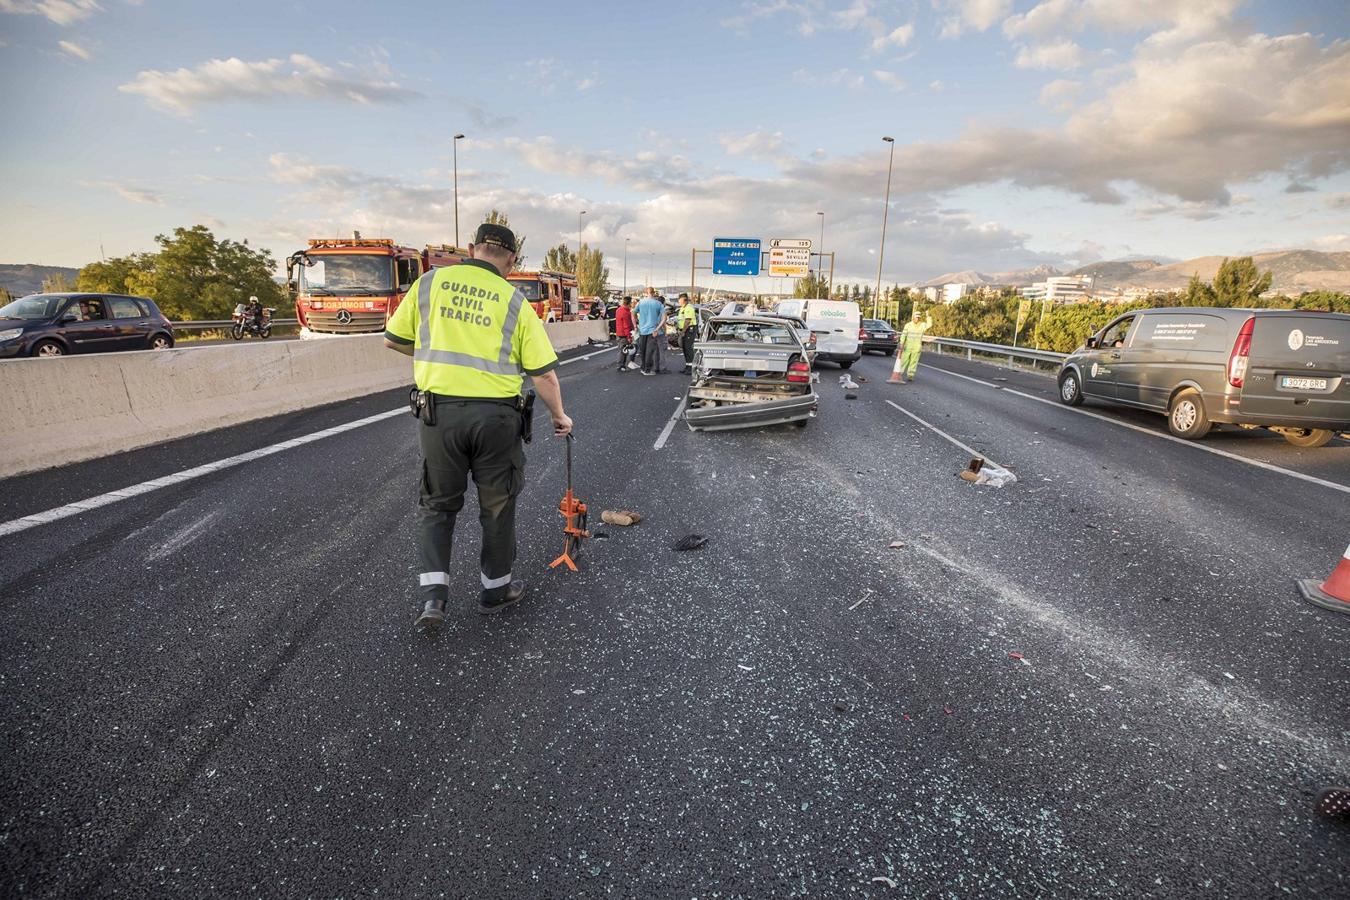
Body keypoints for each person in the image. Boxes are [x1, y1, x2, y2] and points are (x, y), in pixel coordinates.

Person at [384, 222, 573, 630]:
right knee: (497, 506)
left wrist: (433, 357)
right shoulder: (514, 300)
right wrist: (560, 416)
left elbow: (394, 338)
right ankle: (494, 591)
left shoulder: (430, 283)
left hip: (439, 417)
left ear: (472, 248)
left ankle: (433, 600)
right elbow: (543, 374)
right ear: (512, 260)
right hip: (497, 420)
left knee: (437, 506)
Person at [889, 307, 934, 384]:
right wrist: (901, 343)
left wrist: (928, 316)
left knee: (913, 362)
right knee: (904, 361)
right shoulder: (908, 325)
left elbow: (929, 324)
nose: (917, 319)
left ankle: (910, 375)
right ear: (913, 317)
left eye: (919, 318)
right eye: (916, 317)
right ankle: (899, 373)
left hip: (916, 347)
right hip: (907, 347)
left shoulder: (922, 325)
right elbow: (904, 334)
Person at [635, 287, 667, 376]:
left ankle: (643, 367)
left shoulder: (640, 302)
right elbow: (664, 318)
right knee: (649, 351)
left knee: (642, 350)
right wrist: (657, 328)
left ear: (646, 293)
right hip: (652, 331)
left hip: (642, 330)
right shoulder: (658, 304)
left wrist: (635, 326)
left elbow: (633, 313)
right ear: (654, 293)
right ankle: (647, 369)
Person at [614, 296, 638, 371]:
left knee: (622, 350)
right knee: (623, 351)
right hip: (624, 334)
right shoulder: (626, 312)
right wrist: (629, 337)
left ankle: (622, 365)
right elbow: (626, 326)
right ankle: (621, 366)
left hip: (619, 332)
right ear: (629, 303)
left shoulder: (618, 310)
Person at [676, 293, 698, 371]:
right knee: (685, 348)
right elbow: (680, 320)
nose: (678, 301)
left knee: (688, 348)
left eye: (679, 299)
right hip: (684, 330)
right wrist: (679, 329)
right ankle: (687, 366)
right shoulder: (682, 308)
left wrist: (683, 331)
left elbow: (687, 321)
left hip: (689, 329)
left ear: (683, 299)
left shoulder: (689, 308)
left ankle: (691, 368)